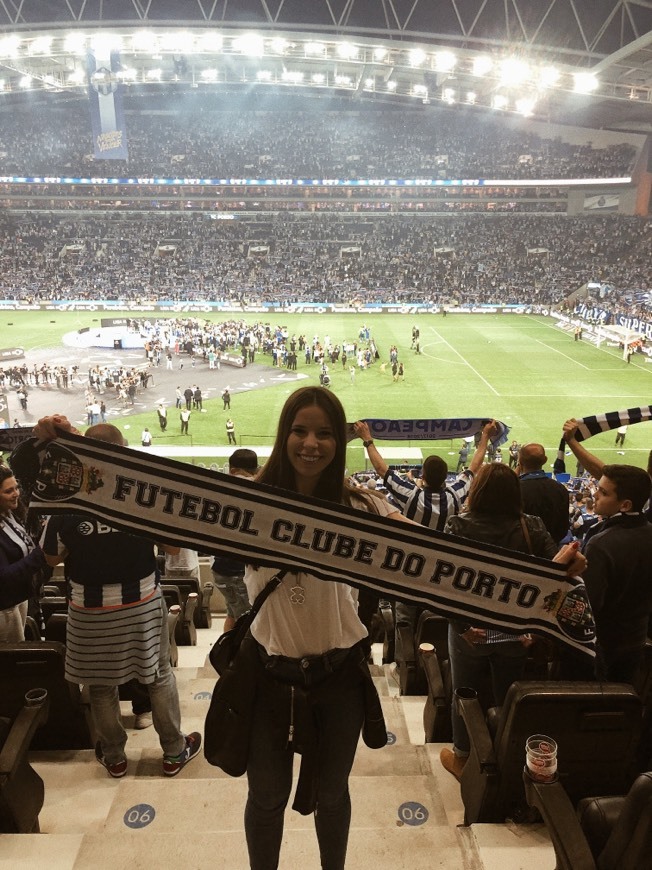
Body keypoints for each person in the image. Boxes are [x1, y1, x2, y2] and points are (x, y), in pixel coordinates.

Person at [242, 386, 409, 870]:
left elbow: (434, 554)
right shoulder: (247, 502)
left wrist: (544, 574)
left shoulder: (362, 506)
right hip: (268, 678)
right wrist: (65, 449)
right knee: (267, 796)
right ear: (283, 435)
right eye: (299, 431)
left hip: (338, 679)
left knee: (333, 795)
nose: (310, 443)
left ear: (340, 442)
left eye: (324, 433)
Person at [36, 420, 201, 779]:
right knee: (158, 676)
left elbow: (49, 557)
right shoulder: (141, 493)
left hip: (88, 608)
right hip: (140, 602)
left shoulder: (67, 497)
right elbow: (173, 546)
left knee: (100, 683)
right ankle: (173, 750)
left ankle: (114, 756)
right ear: (122, 451)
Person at [440, 463, 585, 781]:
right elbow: (556, 571)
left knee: (464, 694)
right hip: (516, 632)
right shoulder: (530, 525)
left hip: (472, 632)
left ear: (478, 490)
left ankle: (464, 757)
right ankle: (505, 758)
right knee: (508, 697)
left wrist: (463, 626)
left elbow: (445, 584)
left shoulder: (458, 525)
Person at [355, 419, 495, 677]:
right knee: (437, 618)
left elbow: (383, 470)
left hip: (408, 569)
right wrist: (484, 438)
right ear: (446, 477)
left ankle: (403, 668)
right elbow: (475, 467)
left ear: (422, 477)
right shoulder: (455, 495)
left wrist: (368, 439)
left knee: (404, 619)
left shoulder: (411, 495)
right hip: (441, 572)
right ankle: (432, 663)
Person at [563, 419, 652, 683]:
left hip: (601, 643)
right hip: (635, 638)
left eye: (602, 492)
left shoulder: (602, 544)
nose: (596, 496)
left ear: (624, 504)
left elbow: (587, 605)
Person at [210, 448, 258, 632]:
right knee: (247, 625)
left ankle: (226, 657)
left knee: (233, 614)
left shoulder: (221, 489)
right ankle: (238, 660)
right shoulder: (257, 489)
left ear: (232, 470)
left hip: (223, 569)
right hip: (238, 572)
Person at [0, 465, 45, 640]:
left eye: (16, 487)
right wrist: (40, 554)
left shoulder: (9, 514)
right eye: (8, 491)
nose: (16, 493)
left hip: (18, 599)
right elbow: (3, 576)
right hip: (4, 607)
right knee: (9, 663)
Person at [517, 443, 570, 544]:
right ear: (545, 460)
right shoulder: (560, 489)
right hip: (552, 550)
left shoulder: (515, 489)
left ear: (520, 462)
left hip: (521, 549)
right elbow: (563, 527)